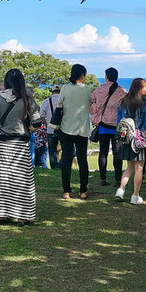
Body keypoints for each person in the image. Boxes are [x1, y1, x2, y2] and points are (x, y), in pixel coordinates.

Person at [0, 68, 42, 225]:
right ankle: (22, 216)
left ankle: (2, 214)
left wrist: (0, 126)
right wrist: (28, 126)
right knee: (22, 180)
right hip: (21, 145)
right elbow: (37, 122)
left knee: (2, 179)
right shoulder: (27, 97)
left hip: (3, 145)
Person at [115, 78, 146, 204]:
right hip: (140, 140)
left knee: (129, 168)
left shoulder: (123, 103)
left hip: (127, 139)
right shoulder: (145, 105)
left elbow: (118, 122)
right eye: (145, 88)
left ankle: (121, 189)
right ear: (140, 89)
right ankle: (135, 196)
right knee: (139, 168)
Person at [58, 64, 93, 199]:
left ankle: (67, 191)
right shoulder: (87, 89)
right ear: (82, 76)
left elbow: (59, 105)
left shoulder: (65, 88)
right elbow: (90, 103)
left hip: (66, 127)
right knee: (82, 159)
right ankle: (83, 190)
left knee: (66, 160)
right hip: (82, 129)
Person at [90, 67, 127, 186]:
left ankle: (103, 179)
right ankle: (117, 180)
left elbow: (88, 102)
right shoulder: (122, 91)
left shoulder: (99, 90)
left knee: (103, 153)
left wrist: (94, 113)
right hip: (117, 126)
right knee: (117, 154)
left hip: (103, 125)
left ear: (106, 77)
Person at [39, 86, 62, 169]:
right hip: (63, 129)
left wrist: (47, 123)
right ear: (60, 91)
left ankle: (54, 167)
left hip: (50, 129)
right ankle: (63, 165)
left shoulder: (46, 102)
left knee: (52, 150)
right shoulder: (64, 100)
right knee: (65, 148)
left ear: (52, 92)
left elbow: (41, 115)